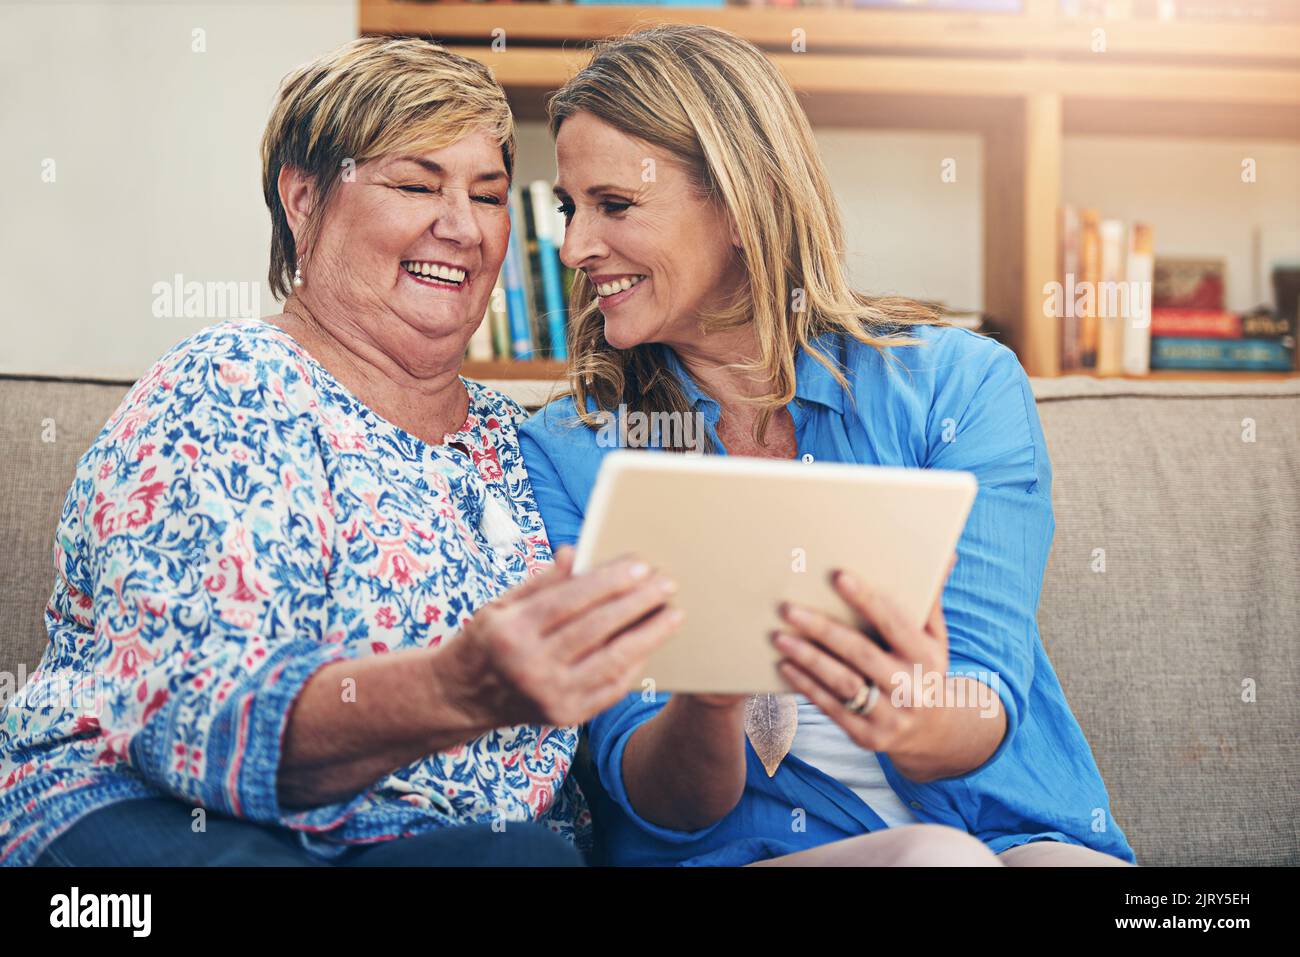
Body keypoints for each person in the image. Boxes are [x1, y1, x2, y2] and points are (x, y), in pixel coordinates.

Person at [0, 36, 681, 868]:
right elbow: (191, 715)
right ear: (303, 199)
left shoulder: (520, 446)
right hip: (161, 821)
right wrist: (454, 689)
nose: (462, 227)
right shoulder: (231, 387)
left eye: (490, 194)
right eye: (414, 184)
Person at [519, 25, 1136, 867]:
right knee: (933, 862)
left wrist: (914, 712)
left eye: (614, 204)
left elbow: (985, 696)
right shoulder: (572, 448)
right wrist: (710, 691)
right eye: (570, 207)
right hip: (748, 854)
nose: (575, 247)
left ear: (743, 204)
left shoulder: (958, 385)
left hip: (1009, 831)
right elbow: (660, 801)